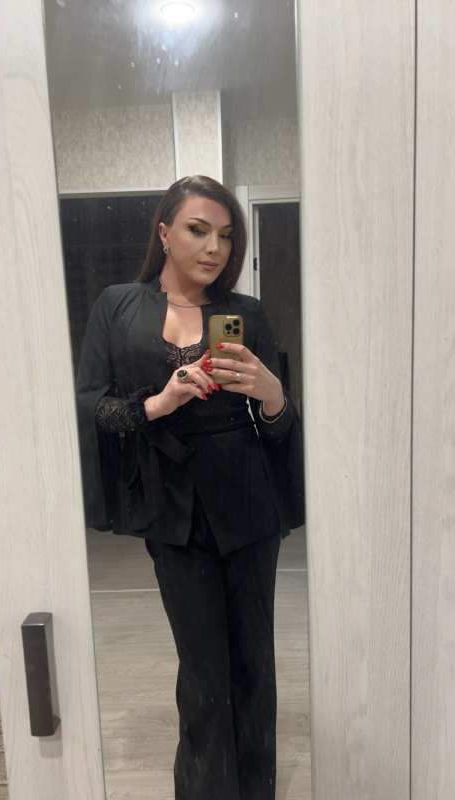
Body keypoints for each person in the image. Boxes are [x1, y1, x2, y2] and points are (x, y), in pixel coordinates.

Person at [76, 175, 304, 800]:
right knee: (202, 673)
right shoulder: (119, 307)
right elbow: (92, 406)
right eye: (198, 230)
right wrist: (159, 402)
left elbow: (277, 426)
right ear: (164, 232)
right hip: (172, 507)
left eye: (226, 236)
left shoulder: (245, 313)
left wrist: (273, 394)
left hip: (247, 504)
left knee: (253, 666)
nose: (214, 248)